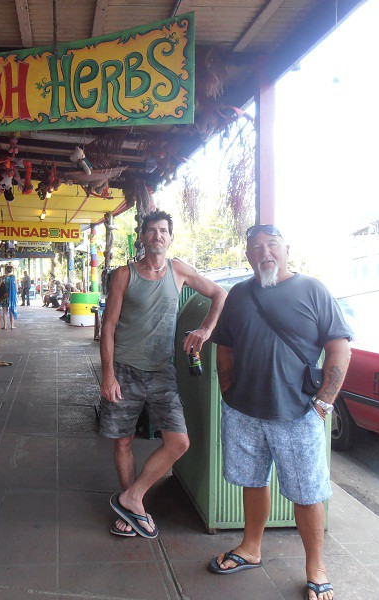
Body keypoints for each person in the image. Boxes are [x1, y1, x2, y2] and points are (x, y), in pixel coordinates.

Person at [208, 224, 352, 600]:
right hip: (244, 411)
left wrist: (324, 401)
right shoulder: (239, 295)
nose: (265, 252)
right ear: (247, 256)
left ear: (287, 249)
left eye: (272, 245)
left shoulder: (313, 290)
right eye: (256, 247)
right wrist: (227, 390)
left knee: (307, 492)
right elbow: (225, 346)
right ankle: (250, 548)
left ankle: (316, 568)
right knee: (253, 481)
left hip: (298, 413)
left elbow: (339, 347)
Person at [100, 209, 227, 539]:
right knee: (123, 440)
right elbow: (108, 327)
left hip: (161, 371)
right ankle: (132, 510)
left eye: (163, 230)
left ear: (170, 238)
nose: (157, 235)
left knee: (179, 442)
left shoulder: (179, 270)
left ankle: (132, 497)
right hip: (124, 370)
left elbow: (219, 294)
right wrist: (108, 375)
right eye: (151, 230)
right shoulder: (123, 275)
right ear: (142, 237)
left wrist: (205, 329)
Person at [0, 264, 18, 329]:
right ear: (11, 270)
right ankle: (12, 326)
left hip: (4, 297)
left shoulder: (3, 278)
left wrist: (1, 280)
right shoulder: (13, 277)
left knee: (4, 312)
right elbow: (16, 287)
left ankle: (5, 326)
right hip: (11, 297)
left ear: (5, 270)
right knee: (11, 311)